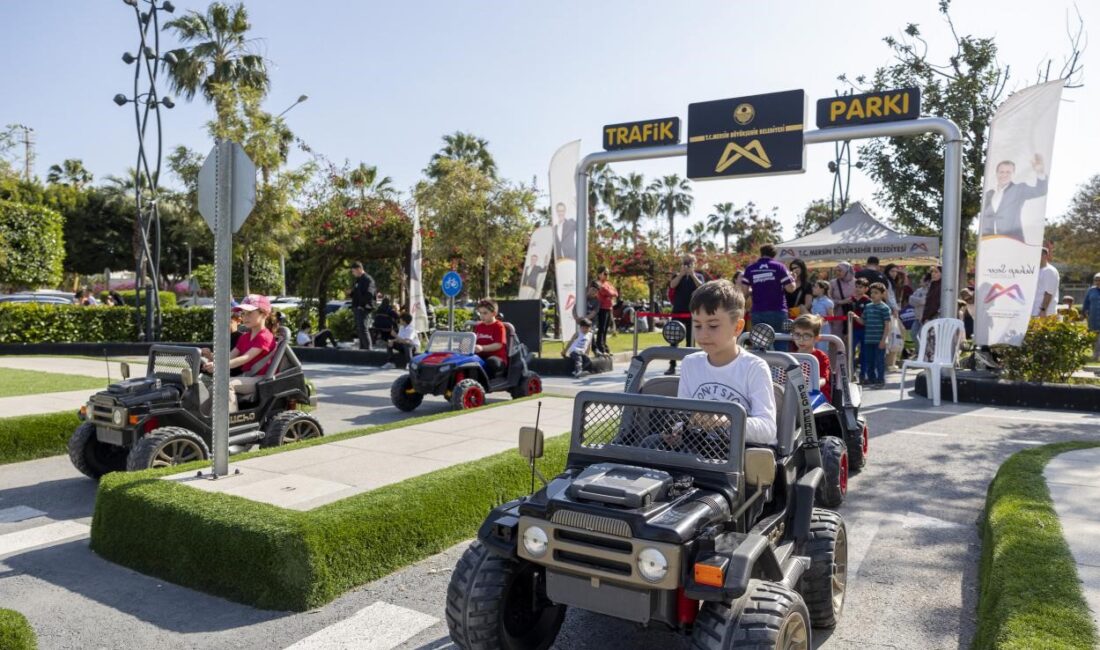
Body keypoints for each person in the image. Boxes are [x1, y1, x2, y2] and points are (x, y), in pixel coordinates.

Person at [671, 279, 777, 447]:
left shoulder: (754, 368)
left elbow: (768, 429)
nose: (703, 335)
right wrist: (676, 431)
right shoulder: (690, 364)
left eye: (713, 326)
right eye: (697, 326)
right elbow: (682, 415)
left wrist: (725, 421)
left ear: (737, 327)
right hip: (698, 450)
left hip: (741, 454)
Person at [200, 294, 277, 412]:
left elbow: (245, 358)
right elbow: (230, 356)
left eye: (250, 313)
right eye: (243, 313)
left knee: (226, 384)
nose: (245, 317)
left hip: (261, 379)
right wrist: (212, 360)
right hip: (247, 376)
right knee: (213, 386)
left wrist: (219, 366)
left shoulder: (265, 337)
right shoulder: (245, 337)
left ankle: (228, 423)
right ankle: (203, 420)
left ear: (264, 314)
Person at [979, 155, 1048, 243]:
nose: (1004, 175)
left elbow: (1040, 190)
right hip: (989, 241)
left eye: (1008, 172)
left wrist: (1040, 172)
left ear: (1013, 174)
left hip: (1012, 241)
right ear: (996, 173)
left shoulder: (1019, 189)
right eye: (1001, 172)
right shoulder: (989, 194)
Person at [740, 244, 795, 345]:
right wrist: (793, 278)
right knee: (781, 343)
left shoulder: (750, 269)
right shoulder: (779, 267)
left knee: (760, 345)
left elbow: (744, 292)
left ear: (761, 253)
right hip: (778, 311)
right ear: (774, 254)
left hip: (758, 312)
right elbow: (790, 288)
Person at [667, 253, 707, 374]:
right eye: (685, 263)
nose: (687, 265)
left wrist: (692, 275)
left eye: (689, 263)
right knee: (673, 340)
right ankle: (672, 365)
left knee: (690, 341)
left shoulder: (699, 276)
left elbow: (702, 287)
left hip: (692, 312)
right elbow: (672, 285)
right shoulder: (677, 276)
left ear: (694, 264)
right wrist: (681, 274)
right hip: (678, 311)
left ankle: (689, 366)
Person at [856, 283, 892, 388]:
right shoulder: (867, 306)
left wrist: (883, 340)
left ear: (882, 294)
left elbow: (887, 325)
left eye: (876, 293)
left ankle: (880, 380)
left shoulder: (884, 308)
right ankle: (871, 379)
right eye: (872, 292)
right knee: (869, 360)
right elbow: (863, 322)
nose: (873, 295)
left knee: (879, 361)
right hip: (868, 339)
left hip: (879, 340)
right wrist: (854, 316)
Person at [791, 314, 831, 402]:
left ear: (816, 338)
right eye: (797, 335)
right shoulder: (790, 357)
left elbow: (823, 379)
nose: (801, 340)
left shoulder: (821, 356)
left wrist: (809, 384)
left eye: (807, 335)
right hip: (794, 394)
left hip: (816, 395)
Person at [473, 298, 508, 377]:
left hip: (497, 358)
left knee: (491, 361)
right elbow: (473, 340)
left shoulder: (499, 326)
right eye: (480, 313)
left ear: (494, 313)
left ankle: (486, 381)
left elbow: (499, 345)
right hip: (481, 356)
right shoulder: (479, 326)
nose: (482, 316)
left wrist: (482, 348)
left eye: (485, 313)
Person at [349, 261, 376, 349]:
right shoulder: (358, 280)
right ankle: (362, 349)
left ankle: (369, 350)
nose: (353, 273)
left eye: (353, 271)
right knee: (360, 330)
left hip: (364, 308)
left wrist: (362, 305)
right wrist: (350, 293)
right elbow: (356, 293)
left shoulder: (368, 279)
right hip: (357, 307)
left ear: (359, 269)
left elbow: (369, 294)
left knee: (364, 329)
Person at [829, 261, 857, 338]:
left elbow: (860, 296)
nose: (837, 273)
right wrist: (841, 302)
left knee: (850, 338)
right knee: (836, 337)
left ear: (847, 271)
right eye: (836, 271)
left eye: (840, 270)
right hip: (837, 313)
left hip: (852, 313)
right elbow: (828, 299)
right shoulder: (833, 283)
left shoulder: (856, 282)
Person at [595, 266, 617, 356]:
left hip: (609, 308)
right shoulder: (599, 283)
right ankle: (600, 347)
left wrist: (611, 293)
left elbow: (615, 293)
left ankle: (604, 346)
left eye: (608, 273)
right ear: (599, 274)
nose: (607, 275)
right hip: (602, 308)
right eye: (605, 273)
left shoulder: (608, 283)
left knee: (606, 329)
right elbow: (608, 292)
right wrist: (610, 293)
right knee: (602, 329)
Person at [1032, 247, 1060, 318]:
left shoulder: (1050, 271)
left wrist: (1043, 310)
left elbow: (1049, 293)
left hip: (1045, 314)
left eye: (1038, 255)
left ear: (1045, 256)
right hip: (1034, 312)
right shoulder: (1036, 271)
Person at [1083, 272, 1100, 360]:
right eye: (1096, 280)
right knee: (1094, 337)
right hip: (1093, 317)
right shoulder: (1091, 290)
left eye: (1099, 280)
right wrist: (1085, 312)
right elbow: (1086, 303)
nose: (1097, 282)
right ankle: (1095, 355)